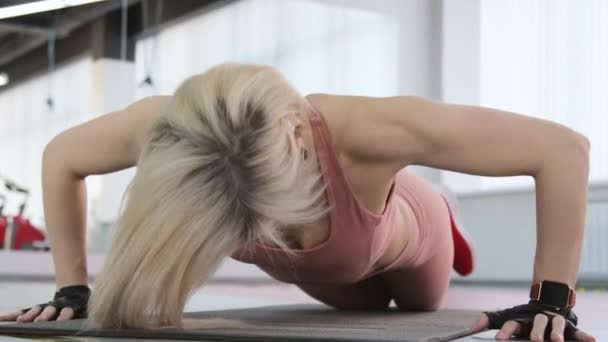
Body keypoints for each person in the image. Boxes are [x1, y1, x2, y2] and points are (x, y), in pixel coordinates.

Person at [0, 63, 595, 342]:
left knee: (413, 302)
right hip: (323, 271)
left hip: (406, 239)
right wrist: (73, 289)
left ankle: (441, 207)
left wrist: (551, 301)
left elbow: (562, 150)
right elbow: (61, 158)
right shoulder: (168, 133)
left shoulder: (363, 128)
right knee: (359, 310)